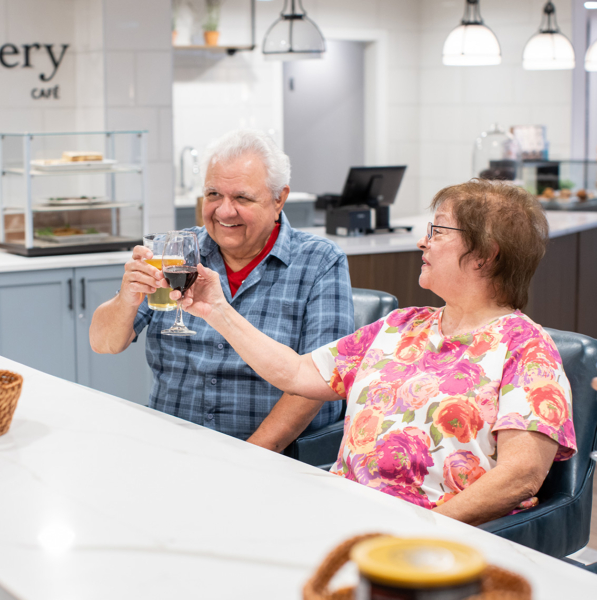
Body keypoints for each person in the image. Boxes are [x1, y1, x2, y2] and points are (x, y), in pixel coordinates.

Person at [178, 178, 576, 526]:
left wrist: (418, 531)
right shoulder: (400, 326)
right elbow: (296, 374)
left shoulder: (526, 347)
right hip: (344, 515)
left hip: (435, 540)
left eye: (437, 231)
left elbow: (521, 475)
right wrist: (217, 309)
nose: (424, 241)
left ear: (486, 254)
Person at [90, 129, 354, 449]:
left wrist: (249, 458)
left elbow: (321, 378)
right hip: (171, 446)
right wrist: (126, 299)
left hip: (277, 458)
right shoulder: (173, 252)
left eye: (242, 198)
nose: (225, 211)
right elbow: (103, 344)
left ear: (279, 199)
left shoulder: (320, 262)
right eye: (213, 195)